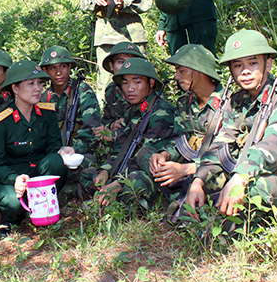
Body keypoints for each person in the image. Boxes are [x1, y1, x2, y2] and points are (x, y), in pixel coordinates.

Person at [185, 30, 277, 229]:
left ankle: (248, 234)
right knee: (203, 183)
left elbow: (273, 146)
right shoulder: (237, 101)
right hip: (250, 173)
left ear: (268, 64)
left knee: (249, 191)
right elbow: (220, 146)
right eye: (238, 65)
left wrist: (240, 177)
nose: (245, 71)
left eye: (253, 63)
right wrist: (198, 180)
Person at [0, 60, 72, 235]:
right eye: (31, 83)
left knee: (57, 161)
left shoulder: (47, 113)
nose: (38, 88)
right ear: (15, 89)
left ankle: (46, 204)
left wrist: (61, 151)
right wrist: (13, 179)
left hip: (40, 173)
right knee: (12, 203)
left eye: (40, 83)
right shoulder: (1, 121)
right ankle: (12, 219)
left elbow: (53, 146)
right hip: (15, 177)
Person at [80, 58, 178, 207]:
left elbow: (149, 159)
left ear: (151, 83)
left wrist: (118, 182)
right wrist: (106, 171)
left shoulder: (161, 112)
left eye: (137, 82)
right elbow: (120, 150)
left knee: (136, 182)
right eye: (125, 83)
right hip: (126, 169)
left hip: (148, 172)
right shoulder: (133, 110)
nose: (130, 88)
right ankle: (109, 195)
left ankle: (118, 199)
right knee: (87, 174)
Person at [147, 44, 225, 201]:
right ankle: (178, 191)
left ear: (199, 70)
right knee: (146, 154)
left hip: (213, 169)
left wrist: (187, 170)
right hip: (187, 162)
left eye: (181, 71)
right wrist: (165, 155)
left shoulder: (227, 103)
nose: (177, 76)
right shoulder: (184, 103)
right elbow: (179, 139)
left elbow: (226, 156)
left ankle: (180, 194)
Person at [39, 45, 101, 169]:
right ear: (45, 70)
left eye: (63, 66)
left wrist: (73, 150)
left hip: (79, 151)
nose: (58, 72)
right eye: (52, 68)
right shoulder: (43, 98)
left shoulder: (82, 91)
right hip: (54, 152)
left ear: (69, 67)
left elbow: (92, 128)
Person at [93, 41, 146, 140]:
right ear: (112, 66)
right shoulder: (112, 90)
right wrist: (112, 125)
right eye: (121, 62)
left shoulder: (147, 90)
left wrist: (118, 132)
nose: (127, 65)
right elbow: (106, 120)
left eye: (132, 62)